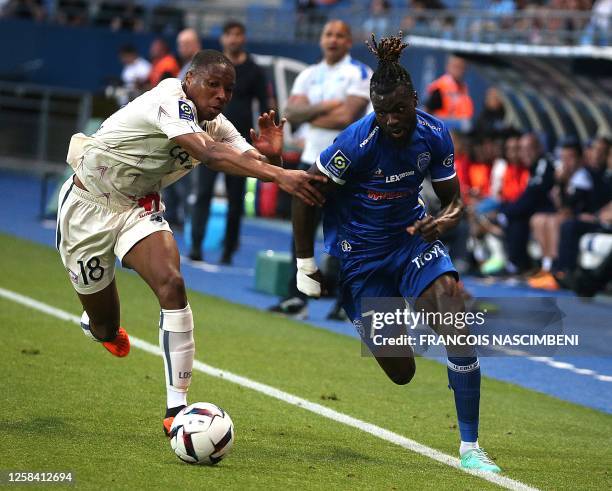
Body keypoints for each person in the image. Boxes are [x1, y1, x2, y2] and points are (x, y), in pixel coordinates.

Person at [56, 50, 327, 437]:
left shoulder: (217, 124)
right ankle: (97, 324)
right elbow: (211, 155)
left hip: (137, 208)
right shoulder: (170, 101)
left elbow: (253, 164)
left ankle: (176, 408)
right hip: (88, 207)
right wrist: (277, 173)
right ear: (189, 79)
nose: (220, 95)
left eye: (228, 89)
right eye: (212, 84)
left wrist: (272, 157)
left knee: (173, 284)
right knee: (104, 326)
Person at [291, 33, 501, 473]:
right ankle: (387, 316)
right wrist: (304, 262)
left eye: (400, 109)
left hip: (411, 242)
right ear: (373, 108)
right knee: (402, 371)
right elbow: (306, 193)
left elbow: (455, 202)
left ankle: (470, 447)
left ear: (415, 100)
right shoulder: (355, 144)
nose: (392, 120)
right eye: (382, 112)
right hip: (361, 261)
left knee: (455, 320)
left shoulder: (434, 135)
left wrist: (443, 221)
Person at [268, 19, 372, 320]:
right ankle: (297, 297)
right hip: (310, 161)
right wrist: (328, 106)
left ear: (349, 41)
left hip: (347, 165)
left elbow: (347, 117)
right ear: (321, 39)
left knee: (346, 236)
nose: (333, 40)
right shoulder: (308, 74)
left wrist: (311, 113)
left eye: (340, 35)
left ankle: (345, 302)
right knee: (301, 232)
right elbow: (291, 112)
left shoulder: (360, 73)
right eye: (329, 34)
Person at [189, 20, 272, 264]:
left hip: (240, 142)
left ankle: (228, 251)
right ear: (223, 38)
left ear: (243, 38)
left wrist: (263, 138)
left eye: (238, 34)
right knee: (202, 193)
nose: (234, 39)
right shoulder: (210, 68)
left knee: (235, 201)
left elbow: (266, 107)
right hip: (207, 137)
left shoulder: (254, 70)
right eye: (230, 34)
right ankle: (195, 246)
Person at [425, 54, 474, 132]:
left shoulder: (463, 88)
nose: (459, 70)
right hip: (442, 131)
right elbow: (426, 114)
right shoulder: (441, 86)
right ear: (448, 66)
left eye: (461, 67)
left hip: (459, 134)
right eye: (455, 66)